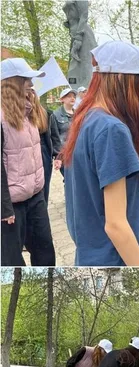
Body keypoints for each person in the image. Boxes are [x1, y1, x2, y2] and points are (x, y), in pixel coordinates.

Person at [61, 40, 139, 266]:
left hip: (92, 252)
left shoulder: (85, 120)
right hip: (115, 257)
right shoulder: (111, 130)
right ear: (122, 80)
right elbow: (115, 224)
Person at [0, 58, 56, 266]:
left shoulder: (29, 113)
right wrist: (4, 209)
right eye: (27, 79)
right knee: (11, 259)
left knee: (46, 253)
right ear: (13, 82)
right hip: (11, 206)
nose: (31, 84)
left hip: (35, 198)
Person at [27, 88, 54, 204]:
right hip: (29, 153)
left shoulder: (45, 113)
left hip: (43, 153)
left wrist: (54, 155)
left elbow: (51, 137)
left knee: (44, 186)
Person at [50, 87, 77, 173]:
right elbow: (54, 137)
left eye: (74, 96)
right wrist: (58, 157)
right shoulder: (55, 115)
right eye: (69, 96)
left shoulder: (79, 114)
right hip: (65, 154)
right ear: (62, 99)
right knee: (68, 180)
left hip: (78, 152)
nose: (72, 98)